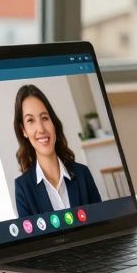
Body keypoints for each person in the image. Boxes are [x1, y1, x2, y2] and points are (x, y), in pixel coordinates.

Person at [12, 83, 102, 217]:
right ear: (23, 130)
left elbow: (102, 226)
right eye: (30, 120)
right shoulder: (23, 188)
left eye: (44, 118)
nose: (41, 129)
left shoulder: (83, 174)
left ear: (53, 123)